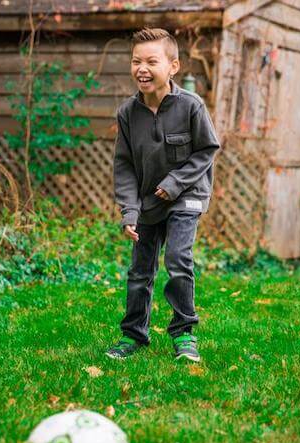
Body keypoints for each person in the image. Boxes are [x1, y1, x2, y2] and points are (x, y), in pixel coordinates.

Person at [106, 27, 221, 363]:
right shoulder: (128, 113)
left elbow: (207, 150)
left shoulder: (191, 106)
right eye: (135, 61)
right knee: (140, 270)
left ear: (173, 67)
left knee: (177, 260)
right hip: (147, 200)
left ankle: (184, 333)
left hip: (187, 194)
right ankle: (133, 335)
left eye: (151, 61)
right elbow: (124, 166)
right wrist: (130, 211)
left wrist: (175, 182)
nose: (141, 68)